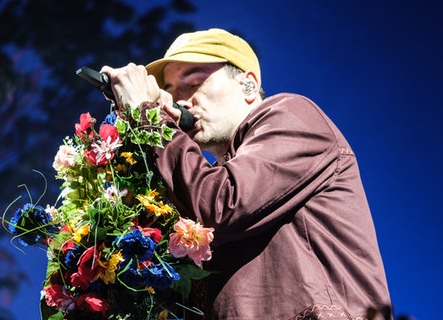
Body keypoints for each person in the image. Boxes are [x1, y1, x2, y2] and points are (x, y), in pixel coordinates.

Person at [102, 28, 391, 320]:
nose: (180, 102)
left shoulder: (292, 115)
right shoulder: (202, 179)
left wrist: (145, 113)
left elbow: (221, 203)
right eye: (171, 91)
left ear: (248, 85)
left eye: (193, 83)